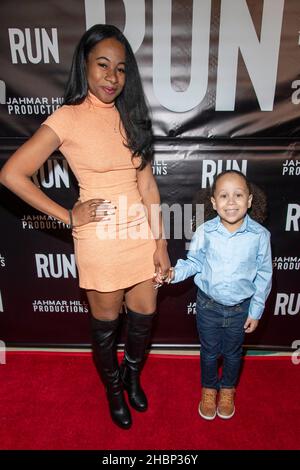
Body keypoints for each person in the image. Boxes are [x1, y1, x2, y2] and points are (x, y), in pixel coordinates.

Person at [0, 24, 170, 429]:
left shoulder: (133, 116)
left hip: (138, 233)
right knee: (107, 327)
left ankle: (131, 376)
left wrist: (160, 243)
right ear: (85, 66)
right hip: (99, 239)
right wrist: (69, 215)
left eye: (122, 68)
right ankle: (113, 389)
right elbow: (12, 173)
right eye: (103, 65)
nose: (113, 77)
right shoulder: (68, 118)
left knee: (144, 316)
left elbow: (147, 185)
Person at [158, 170, 272, 420]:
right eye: (223, 195)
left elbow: (264, 276)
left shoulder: (261, 237)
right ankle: (209, 389)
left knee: (233, 354)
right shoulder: (205, 232)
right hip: (208, 307)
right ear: (213, 202)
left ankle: (228, 389)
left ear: (250, 200)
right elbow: (194, 263)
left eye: (238, 195)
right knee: (209, 352)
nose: (231, 202)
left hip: (240, 309)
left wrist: (256, 310)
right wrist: (172, 274)